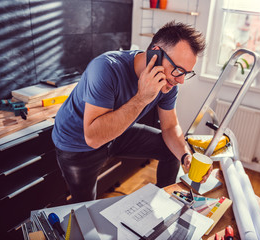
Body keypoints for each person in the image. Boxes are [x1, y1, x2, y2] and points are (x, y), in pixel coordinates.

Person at [52, 21, 211, 203]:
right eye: (178, 70)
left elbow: (170, 126)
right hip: (77, 142)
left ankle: (165, 204)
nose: (181, 80)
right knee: (84, 206)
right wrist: (142, 97)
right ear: (156, 54)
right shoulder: (105, 68)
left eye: (186, 73)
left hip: (118, 131)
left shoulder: (168, 82)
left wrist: (185, 155)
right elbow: (93, 138)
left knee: (172, 152)